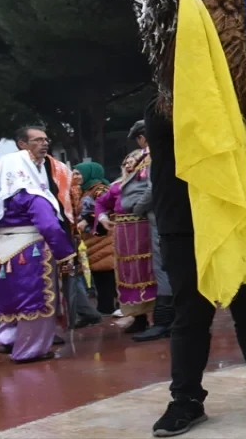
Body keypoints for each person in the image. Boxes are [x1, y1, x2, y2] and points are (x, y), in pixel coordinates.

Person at [144, 101, 246, 436]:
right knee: (190, 314)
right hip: (183, 225)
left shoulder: (235, 96)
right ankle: (186, 400)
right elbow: (198, 126)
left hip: (234, 217)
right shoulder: (161, 107)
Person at [0, 129, 78, 364]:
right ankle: (29, 350)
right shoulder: (33, 195)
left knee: (10, 301)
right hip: (30, 251)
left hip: (1, 254)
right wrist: (66, 254)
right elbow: (50, 227)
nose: (44, 144)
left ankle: (8, 339)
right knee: (35, 303)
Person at [96, 150, 158, 334]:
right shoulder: (116, 187)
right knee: (128, 273)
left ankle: (156, 315)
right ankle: (137, 317)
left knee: (148, 271)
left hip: (144, 230)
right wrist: (102, 218)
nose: (129, 166)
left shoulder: (147, 183)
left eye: (133, 163)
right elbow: (100, 203)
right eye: (126, 163)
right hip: (122, 234)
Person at [127, 120, 175, 343]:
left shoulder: (155, 155)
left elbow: (151, 190)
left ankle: (164, 321)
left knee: (163, 266)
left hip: (161, 216)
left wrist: (137, 208)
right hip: (178, 213)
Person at [75, 162, 118, 313]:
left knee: (106, 270)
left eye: (78, 173)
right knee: (99, 272)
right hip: (93, 237)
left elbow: (107, 206)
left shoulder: (100, 189)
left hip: (103, 235)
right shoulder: (85, 190)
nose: (75, 177)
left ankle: (108, 306)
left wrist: (87, 219)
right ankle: (105, 306)